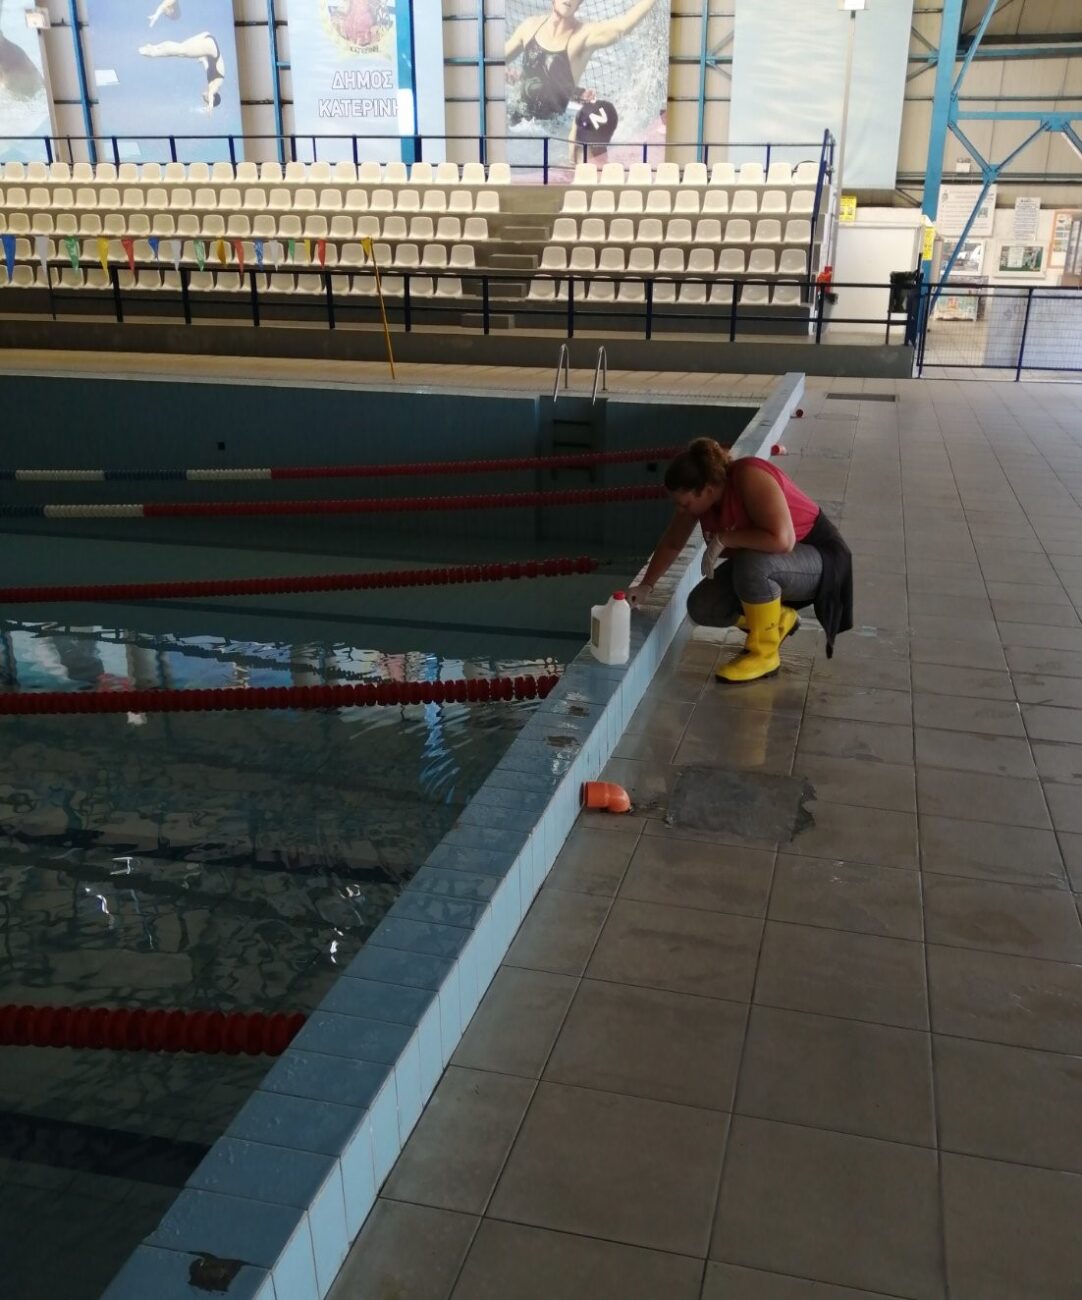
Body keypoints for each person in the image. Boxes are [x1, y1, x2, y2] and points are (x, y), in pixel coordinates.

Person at [628, 438, 852, 683]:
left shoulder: (749, 476)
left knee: (752, 565)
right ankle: (778, 621)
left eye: (684, 504)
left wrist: (725, 538)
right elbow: (672, 543)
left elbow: (783, 541)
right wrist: (646, 585)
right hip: (772, 560)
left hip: (820, 558)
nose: (681, 510)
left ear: (707, 490)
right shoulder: (700, 503)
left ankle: (764, 654)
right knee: (702, 606)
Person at [504, 0, 660, 161]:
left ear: (580, 3)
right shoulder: (529, 27)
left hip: (549, 134)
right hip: (514, 126)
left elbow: (622, 26)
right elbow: (497, 58)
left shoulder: (582, 37)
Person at [139, 31, 225, 113]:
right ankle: (153, 52)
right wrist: (210, 105)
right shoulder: (216, 86)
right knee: (181, 51)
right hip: (210, 46)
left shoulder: (212, 82)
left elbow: (208, 69)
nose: (204, 98)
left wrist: (204, 61)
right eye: (206, 100)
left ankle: (154, 47)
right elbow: (211, 93)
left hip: (208, 38)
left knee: (180, 48)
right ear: (212, 98)